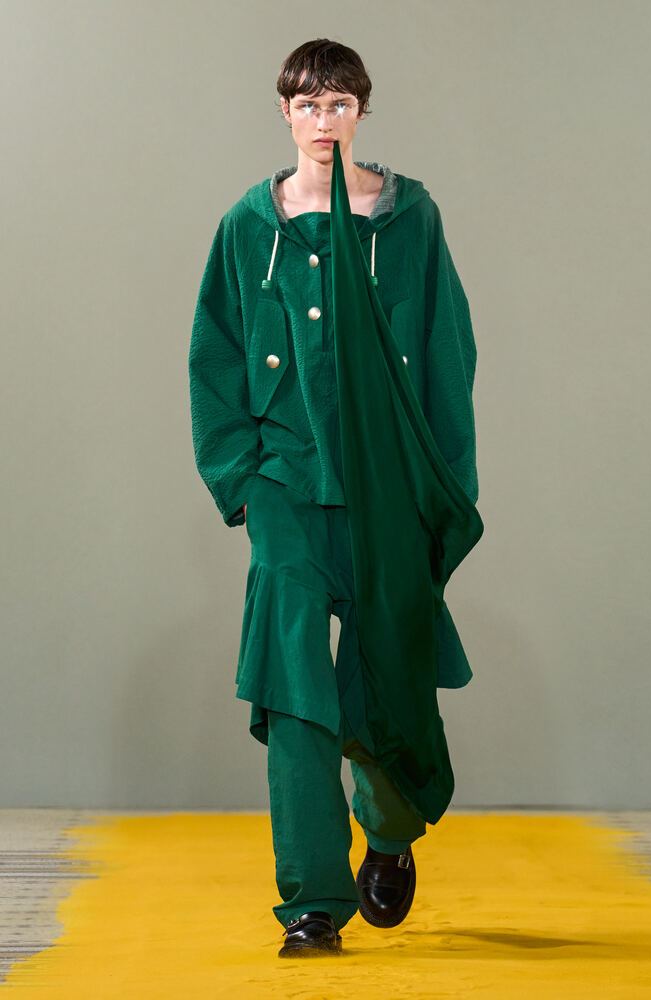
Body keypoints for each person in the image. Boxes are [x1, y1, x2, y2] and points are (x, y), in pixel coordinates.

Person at [188, 38, 482, 958]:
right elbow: (214, 354)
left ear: (361, 111)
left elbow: (447, 356)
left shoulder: (407, 219)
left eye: (341, 103)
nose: (325, 119)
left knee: (386, 674)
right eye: (309, 104)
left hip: (388, 490)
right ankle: (311, 900)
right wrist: (240, 479)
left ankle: (387, 832)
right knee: (294, 687)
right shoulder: (250, 225)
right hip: (285, 487)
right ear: (285, 113)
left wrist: (443, 492)